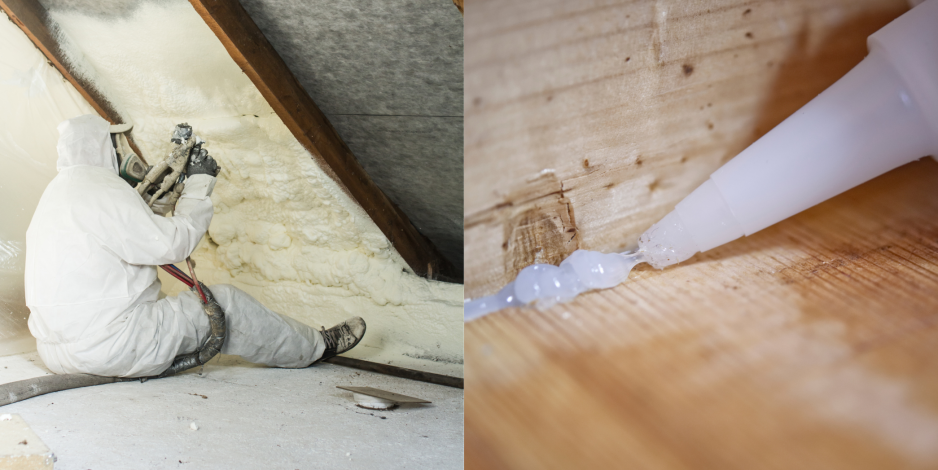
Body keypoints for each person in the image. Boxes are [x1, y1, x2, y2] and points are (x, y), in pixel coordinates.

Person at [24, 114, 365, 378]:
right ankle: (317, 347)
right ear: (102, 147)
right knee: (227, 304)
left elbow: (119, 236)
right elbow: (172, 245)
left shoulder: (57, 193)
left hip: (54, 352)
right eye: (117, 144)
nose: (121, 151)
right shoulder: (102, 188)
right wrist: (198, 186)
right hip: (110, 346)